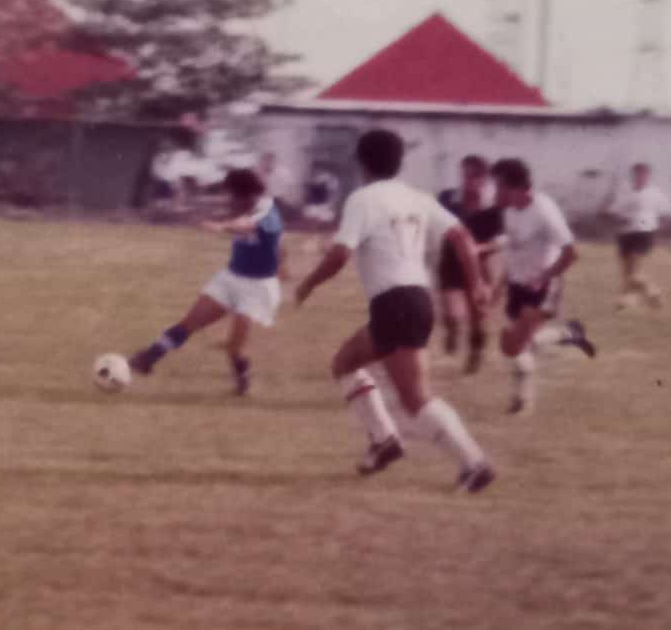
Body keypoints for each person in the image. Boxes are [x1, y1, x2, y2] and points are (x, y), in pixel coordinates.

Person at [296, 129, 495, 493]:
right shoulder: (417, 197)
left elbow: (341, 254)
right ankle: (384, 440)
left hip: (396, 303)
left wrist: (309, 283)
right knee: (345, 363)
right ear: (399, 162)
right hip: (415, 298)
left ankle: (474, 463)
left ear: (362, 163)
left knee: (416, 399)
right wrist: (478, 283)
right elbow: (463, 238)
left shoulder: (362, 199)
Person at [129, 168, 283, 395]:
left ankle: (242, 377)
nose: (230, 201)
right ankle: (149, 358)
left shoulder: (267, 215)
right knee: (189, 323)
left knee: (234, 349)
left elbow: (247, 225)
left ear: (246, 195)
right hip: (231, 278)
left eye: (233, 196)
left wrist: (221, 226)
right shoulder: (249, 206)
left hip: (257, 288)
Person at [491, 158, 596, 416]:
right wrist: (499, 285)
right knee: (511, 346)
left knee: (519, 342)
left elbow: (571, 252)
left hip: (542, 288)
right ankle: (567, 335)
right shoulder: (509, 211)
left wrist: (545, 276)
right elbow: (514, 252)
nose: (496, 193)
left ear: (518, 188)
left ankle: (522, 400)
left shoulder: (544, 210)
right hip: (517, 286)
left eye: (500, 186)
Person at [438, 155, 504, 374]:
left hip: (479, 267)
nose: (469, 180)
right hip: (450, 264)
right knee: (453, 313)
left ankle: (475, 355)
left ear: (485, 179)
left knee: (478, 317)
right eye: (465, 175)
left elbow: (502, 240)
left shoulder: (493, 208)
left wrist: (482, 249)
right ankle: (452, 332)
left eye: (475, 176)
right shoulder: (448, 199)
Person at [609, 162, 671, 309]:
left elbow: (667, 213)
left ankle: (653, 291)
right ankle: (627, 301)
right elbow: (614, 211)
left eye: (644, 174)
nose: (640, 177)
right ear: (633, 175)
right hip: (625, 233)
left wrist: (659, 227)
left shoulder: (655, 193)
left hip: (644, 233)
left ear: (648, 176)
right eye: (637, 174)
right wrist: (619, 217)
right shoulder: (625, 192)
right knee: (626, 271)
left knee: (635, 273)